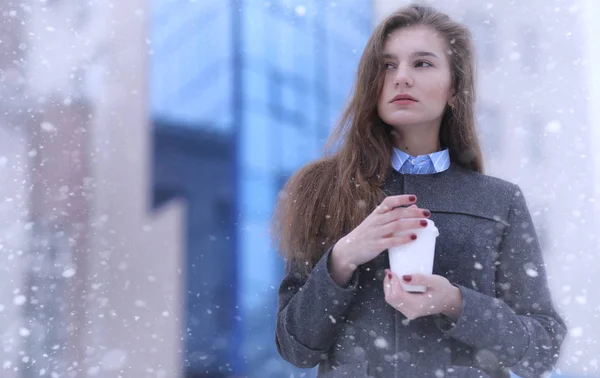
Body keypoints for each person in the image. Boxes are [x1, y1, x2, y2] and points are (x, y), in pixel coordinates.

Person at [272, 4, 566, 378]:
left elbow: (542, 349)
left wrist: (455, 302)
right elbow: (294, 347)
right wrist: (343, 257)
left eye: (422, 64)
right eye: (388, 65)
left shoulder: (499, 201)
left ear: (455, 89)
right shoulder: (321, 188)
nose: (402, 78)